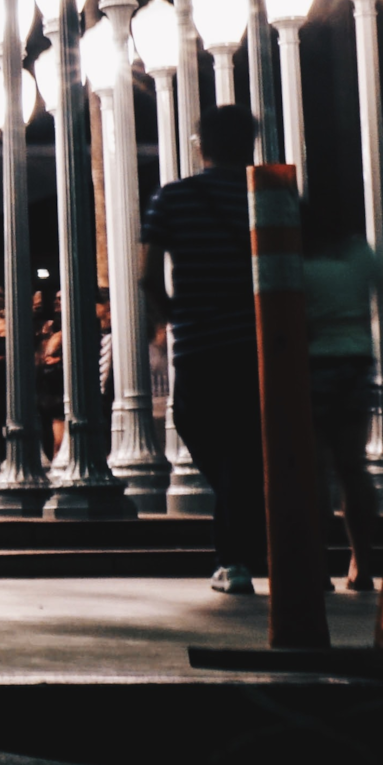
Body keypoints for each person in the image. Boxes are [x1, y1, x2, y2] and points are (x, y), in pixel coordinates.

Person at [142, 104, 267, 595]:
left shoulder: (173, 199)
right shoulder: (273, 194)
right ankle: (245, 547)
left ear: (201, 144)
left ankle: (234, 557)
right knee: (247, 447)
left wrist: (175, 317)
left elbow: (147, 274)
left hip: (199, 346)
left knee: (202, 432)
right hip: (260, 343)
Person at [298, 192, 383, 594]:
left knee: (314, 469)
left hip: (310, 363)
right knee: (352, 467)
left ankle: (316, 564)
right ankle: (362, 563)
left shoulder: (297, 259)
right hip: (354, 360)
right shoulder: (358, 253)